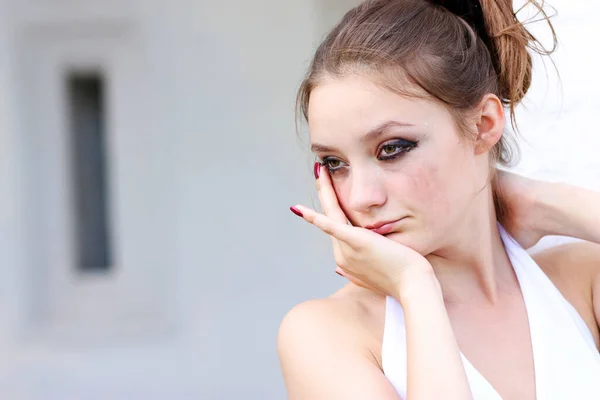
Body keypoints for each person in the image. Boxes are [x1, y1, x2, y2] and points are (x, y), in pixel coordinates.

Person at [277, 0, 600, 399]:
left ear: (483, 126)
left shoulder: (579, 283)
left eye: (392, 148)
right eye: (334, 162)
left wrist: (547, 203)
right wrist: (415, 288)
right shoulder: (328, 335)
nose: (361, 197)